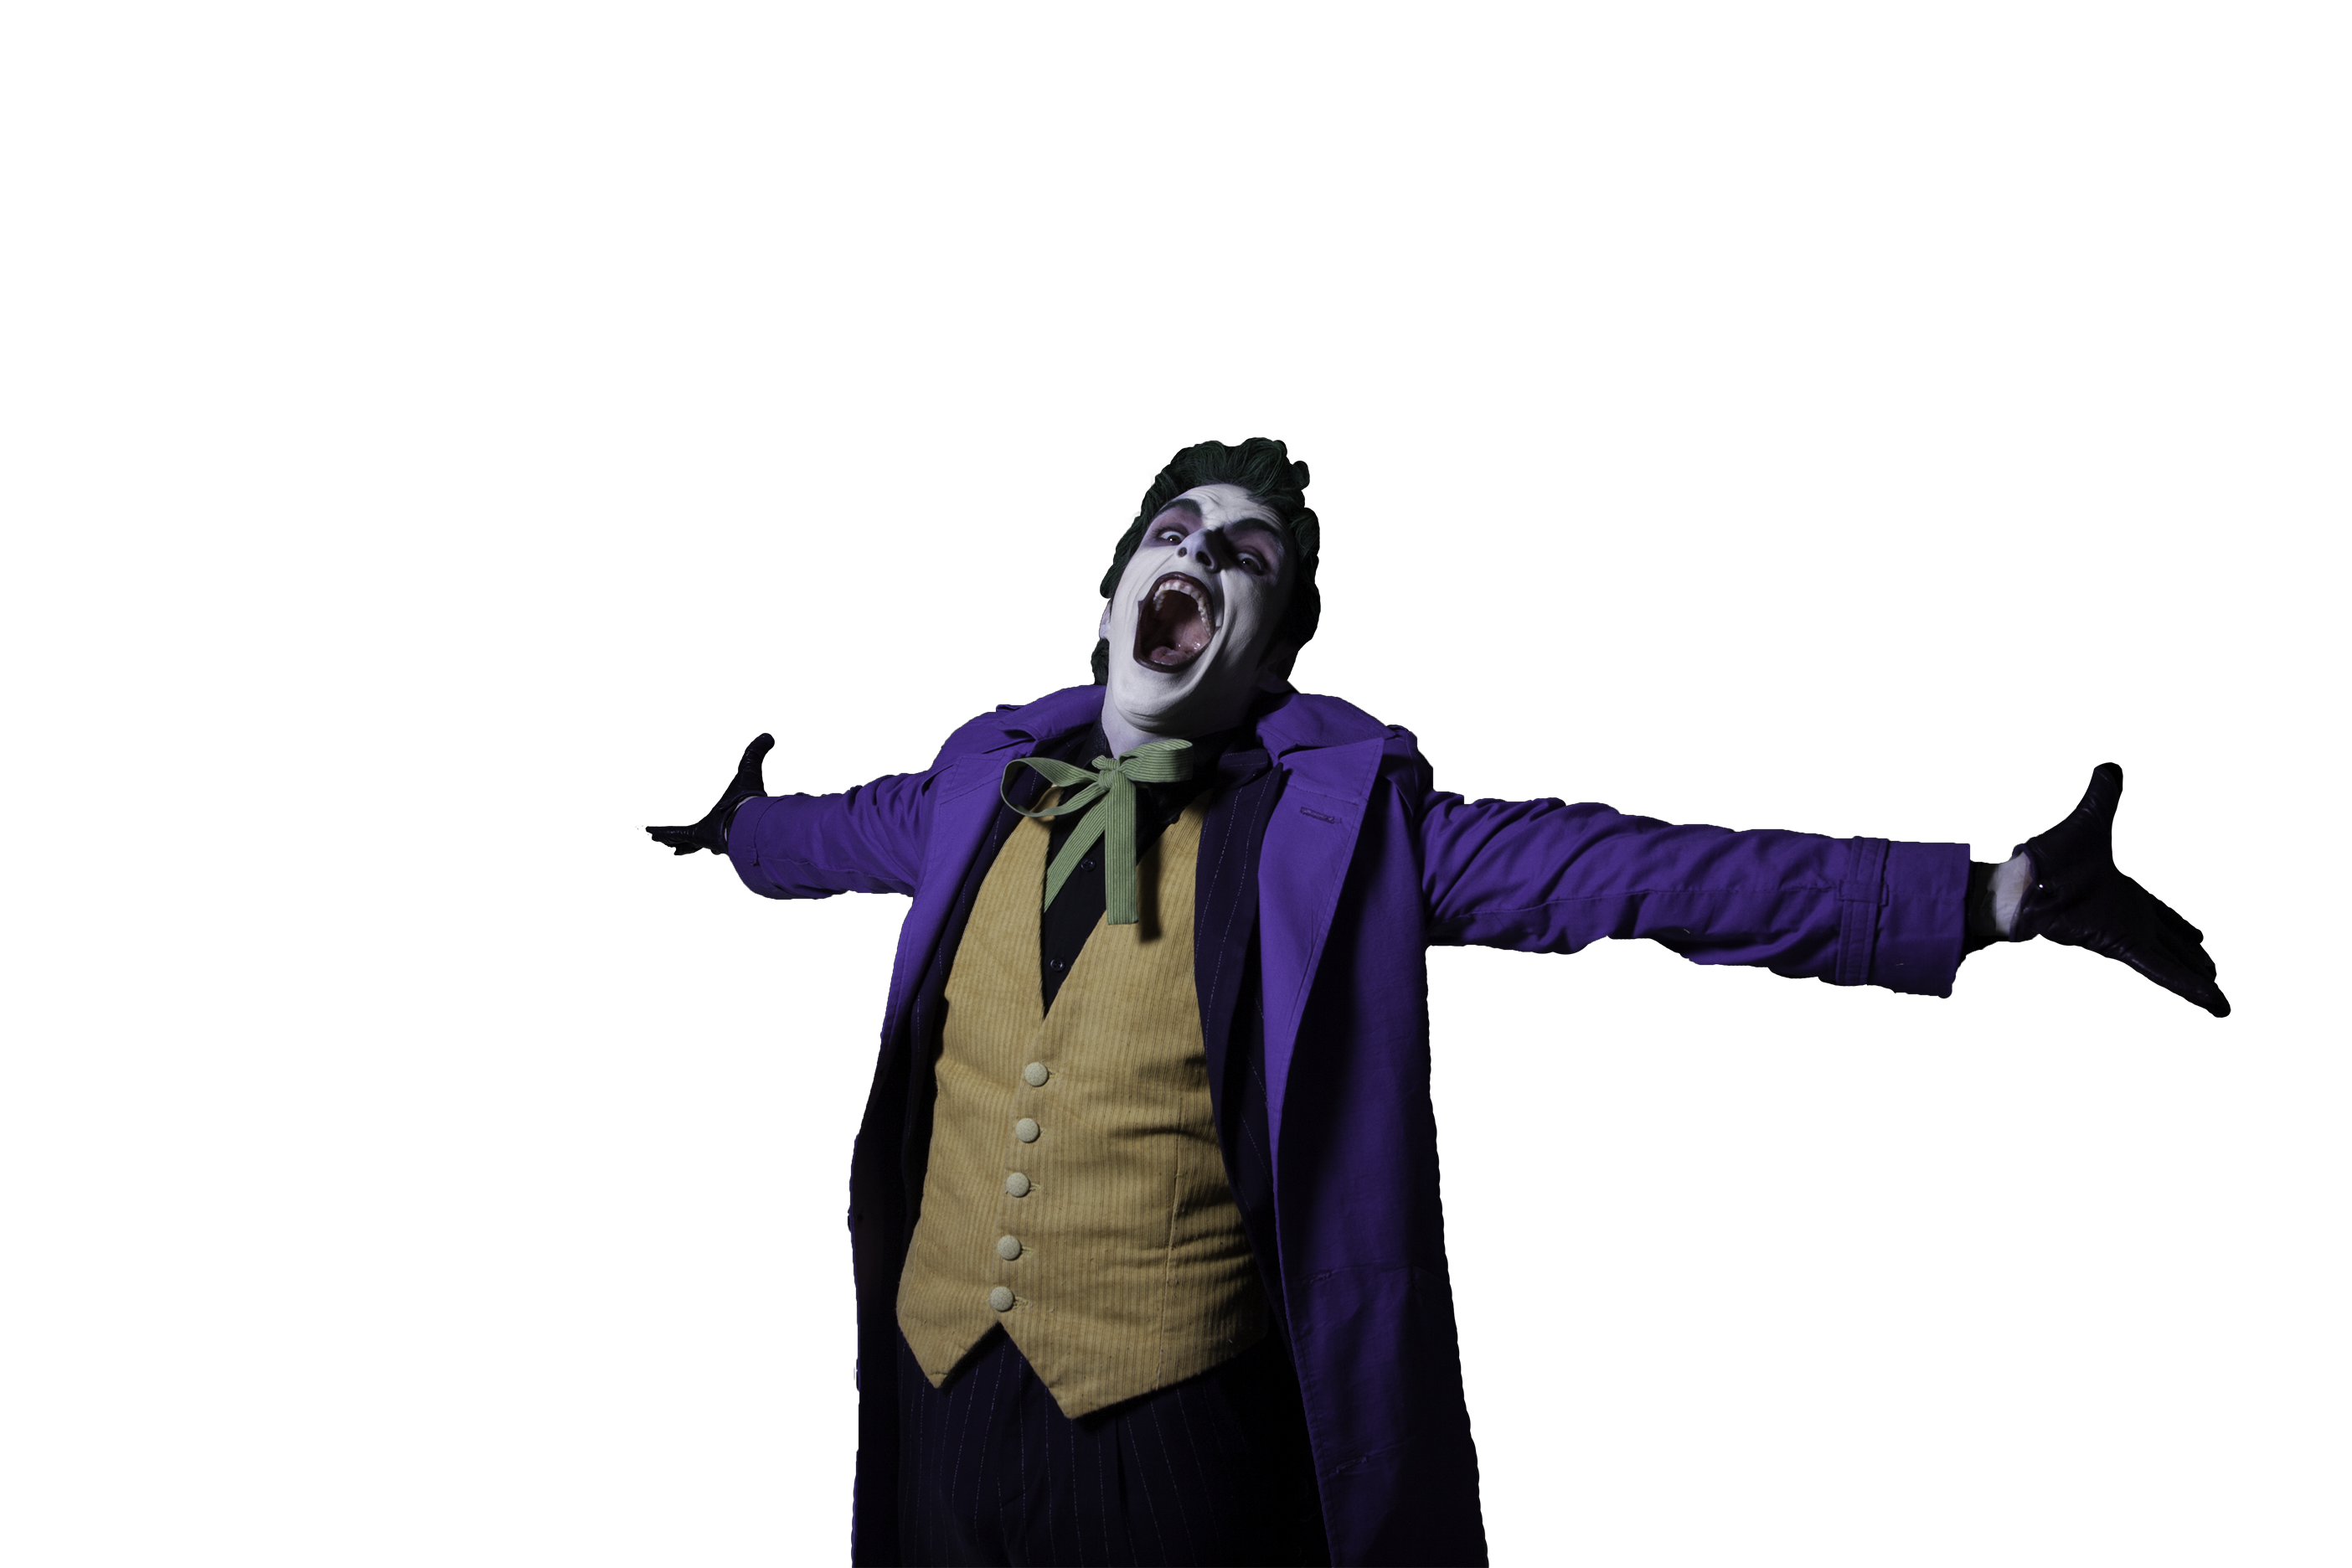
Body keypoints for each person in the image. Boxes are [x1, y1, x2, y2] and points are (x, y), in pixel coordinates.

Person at [647, 439, 2226, 1568]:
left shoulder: (1348, 835)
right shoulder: (972, 791)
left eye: (1246, 554)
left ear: (1272, 662)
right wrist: (731, 829)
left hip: (1167, 1439)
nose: (1199, 553)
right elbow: (818, 838)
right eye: (1173, 533)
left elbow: (1630, 874)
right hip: (935, 1404)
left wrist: (1981, 896)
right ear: (1114, 600)